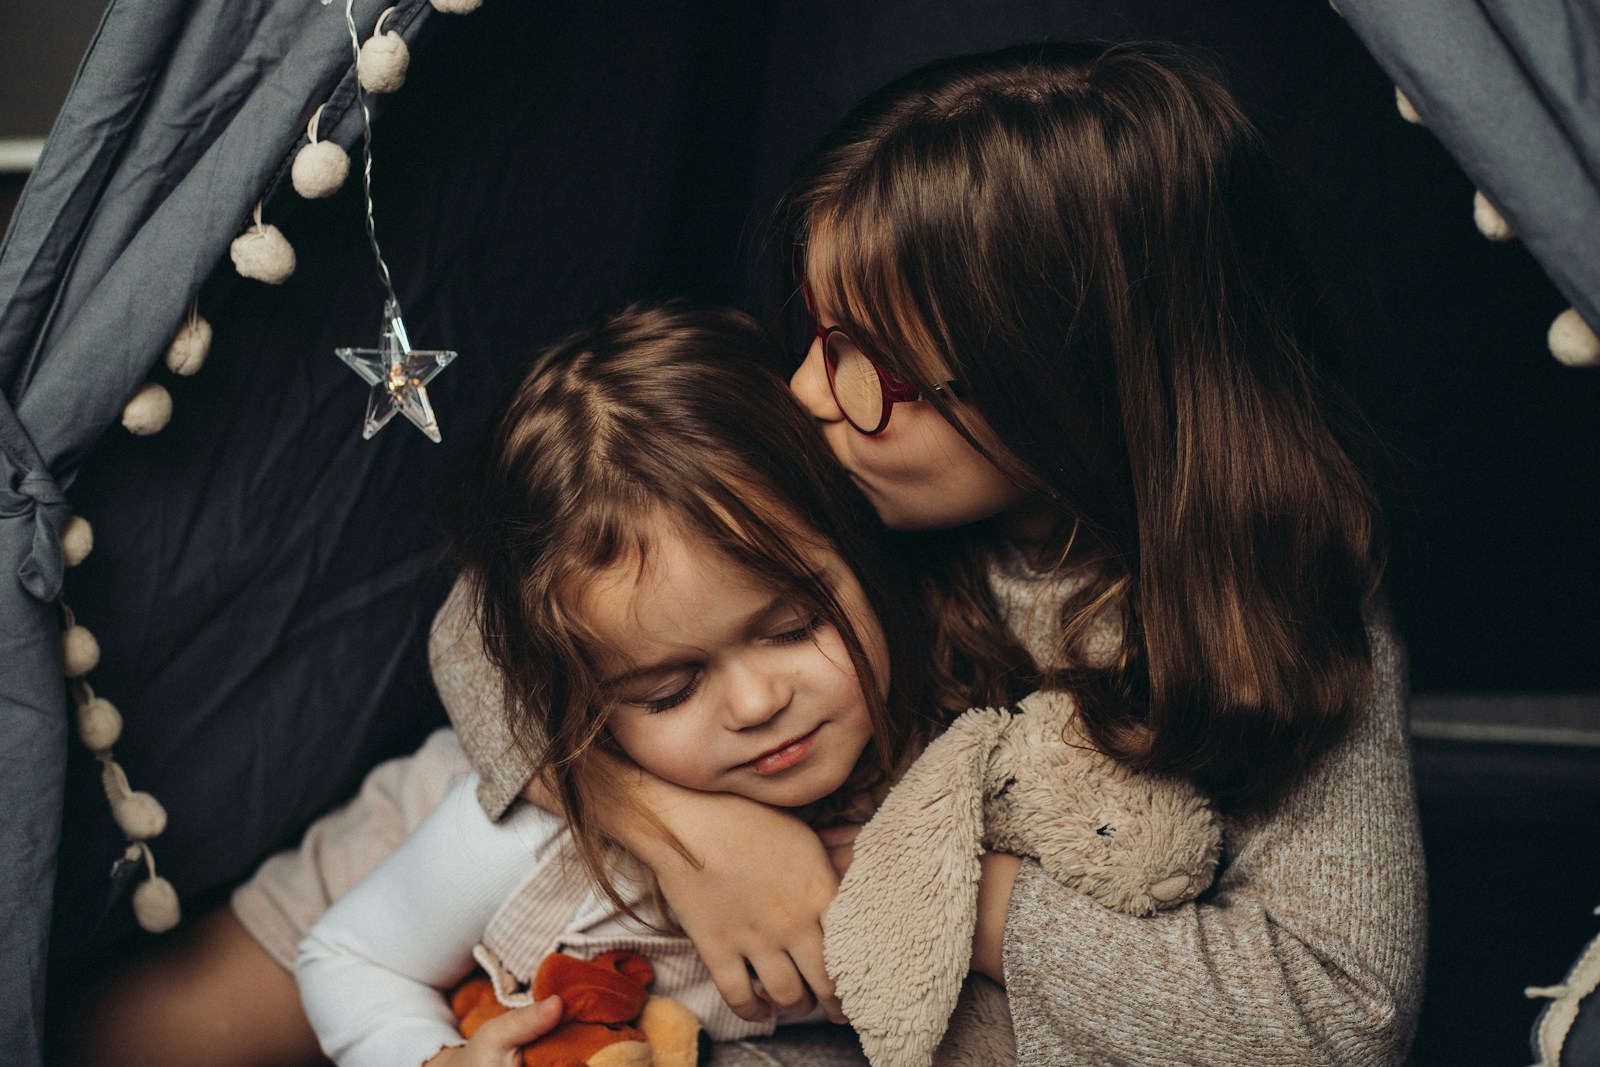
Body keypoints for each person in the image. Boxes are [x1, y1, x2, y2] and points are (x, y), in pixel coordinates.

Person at [79, 39, 1425, 1067]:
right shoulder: (842, 449)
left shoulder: (1276, 602)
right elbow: (490, 620)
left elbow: (1337, 1013)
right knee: (123, 1031)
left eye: (869, 361)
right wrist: (679, 821)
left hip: (714, 983)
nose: (809, 389)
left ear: (1063, 384)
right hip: (499, 836)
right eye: (813, 331)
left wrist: (906, 881)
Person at [294, 302, 989, 1067]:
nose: (757, 704)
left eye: (795, 628)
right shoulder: (533, 840)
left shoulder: (958, 725)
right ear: (583, 699)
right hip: (375, 843)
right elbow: (345, 958)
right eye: (668, 692)